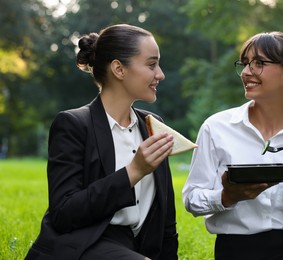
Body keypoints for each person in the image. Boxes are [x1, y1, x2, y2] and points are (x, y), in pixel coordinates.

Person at [25, 24, 178, 260]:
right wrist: (134, 171)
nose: (160, 74)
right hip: (82, 244)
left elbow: (166, 219)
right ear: (119, 69)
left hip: (136, 249)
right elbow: (63, 213)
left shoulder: (153, 124)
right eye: (151, 64)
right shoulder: (73, 124)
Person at [182, 31, 283, 259]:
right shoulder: (216, 128)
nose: (246, 72)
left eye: (258, 63)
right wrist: (228, 196)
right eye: (244, 64)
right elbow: (191, 199)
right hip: (236, 250)